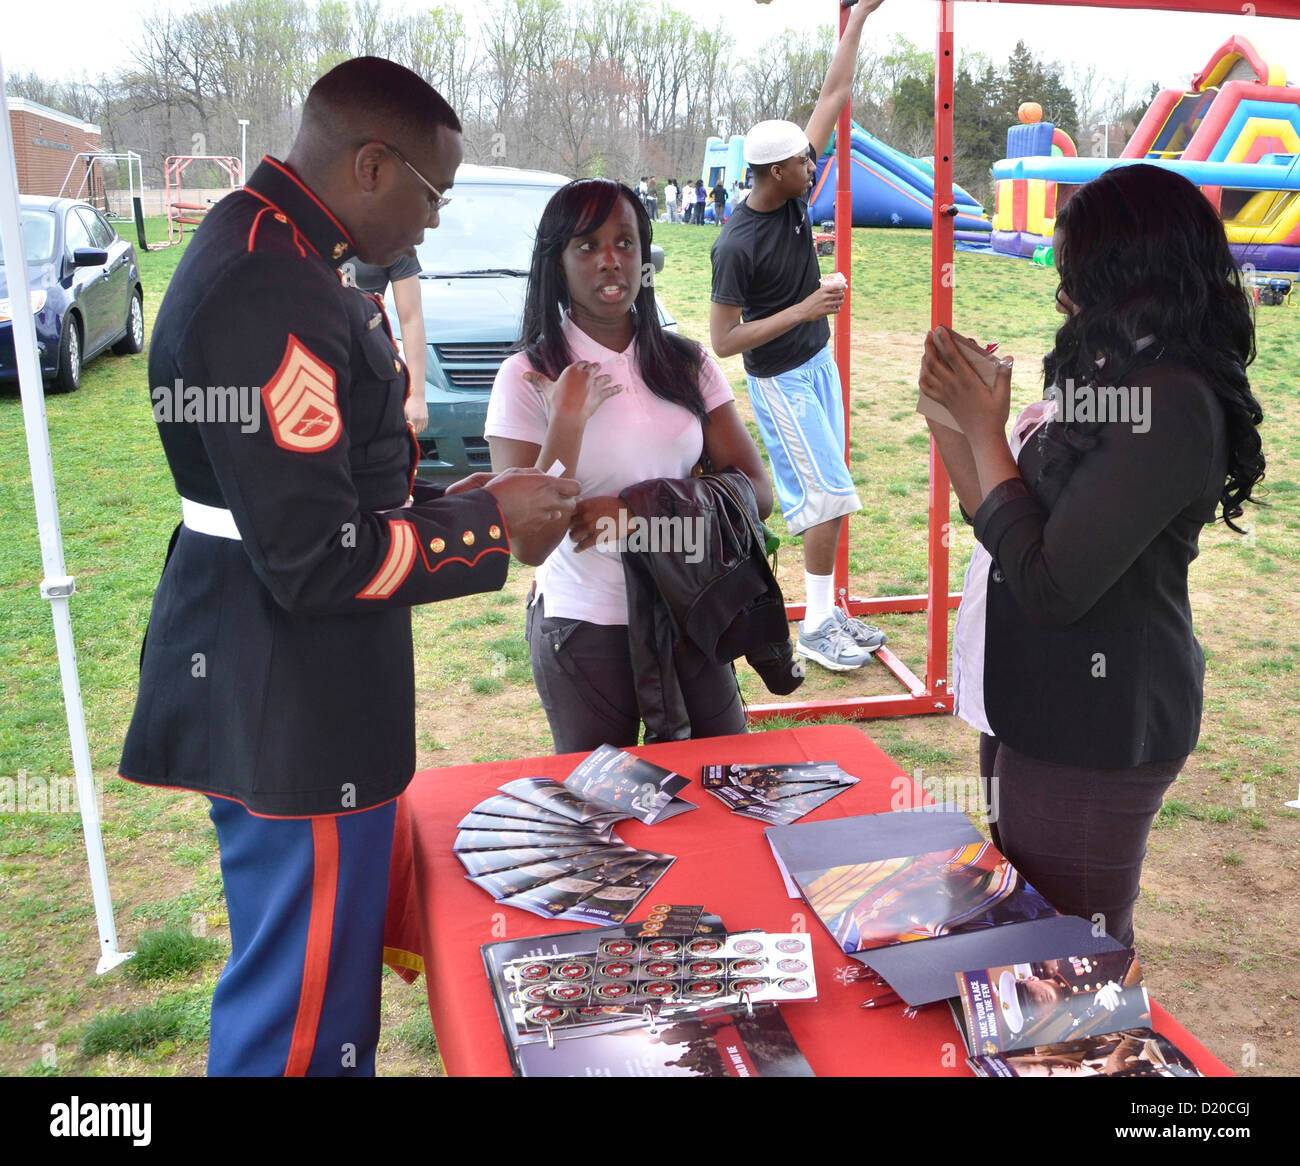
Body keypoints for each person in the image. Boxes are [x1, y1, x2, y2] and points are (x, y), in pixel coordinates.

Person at [119, 57, 578, 1076]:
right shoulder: (265, 286)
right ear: (374, 165)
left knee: (322, 988)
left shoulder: (280, 250)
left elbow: (339, 498)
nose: (432, 223)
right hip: (293, 691)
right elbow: (316, 559)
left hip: (293, 670)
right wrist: (488, 526)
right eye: (433, 194)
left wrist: (474, 507)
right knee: (300, 1011)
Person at [918, 162, 1266, 950]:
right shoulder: (1117, 371)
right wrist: (950, 415)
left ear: (1133, 270)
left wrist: (984, 427)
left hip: (1097, 728)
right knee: (1020, 942)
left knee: (1070, 963)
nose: (1060, 288)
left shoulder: (1171, 401)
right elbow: (1005, 529)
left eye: (1075, 269)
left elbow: (1048, 585)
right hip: (1038, 707)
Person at [484, 179, 774, 752]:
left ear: (645, 257)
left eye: (625, 242)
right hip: (587, 627)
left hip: (692, 609)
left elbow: (756, 493)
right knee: (601, 807)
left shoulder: (686, 361)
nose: (610, 260)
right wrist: (568, 419)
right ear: (557, 262)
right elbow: (529, 545)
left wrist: (636, 516)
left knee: (717, 790)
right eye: (586, 246)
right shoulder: (527, 376)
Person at [710, 0, 887, 671]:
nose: (814, 168)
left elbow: (834, 92)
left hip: (815, 367)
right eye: (804, 165)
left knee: (833, 490)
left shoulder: (789, 196)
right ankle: (814, 626)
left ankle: (826, 608)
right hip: (780, 378)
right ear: (776, 170)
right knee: (825, 496)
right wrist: (808, 307)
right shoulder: (736, 243)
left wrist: (861, 15)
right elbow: (725, 341)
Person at [340, 249, 429, 433]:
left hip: (369, 371)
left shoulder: (389, 232)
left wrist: (417, 395)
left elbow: (411, 318)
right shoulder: (306, 230)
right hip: (313, 364)